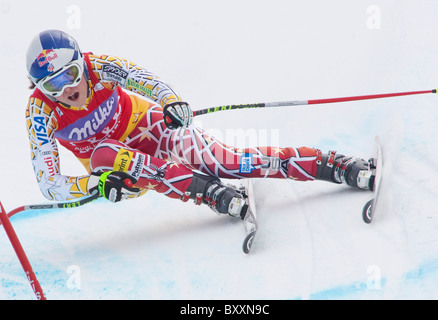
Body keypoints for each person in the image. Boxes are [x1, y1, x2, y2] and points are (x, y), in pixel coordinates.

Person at [25, 29, 373, 221]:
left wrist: (171, 101)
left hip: (151, 128)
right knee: (103, 153)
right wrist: (97, 186)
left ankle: (331, 164)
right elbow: (50, 184)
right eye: (53, 86)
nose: (68, 89)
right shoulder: (40, 113)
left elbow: (141, 79)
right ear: (40, 89)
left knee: (225, 161)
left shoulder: (98, 66)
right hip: (121, 169)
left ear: (80, 64)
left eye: (70, 75)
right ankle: (206, 191)